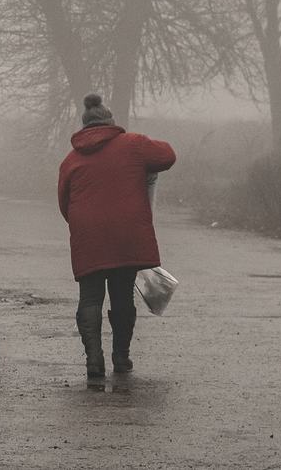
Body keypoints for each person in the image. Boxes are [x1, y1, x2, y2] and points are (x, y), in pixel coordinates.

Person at [57, 94, 175, 378]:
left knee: (90, 298)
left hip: (88, 234)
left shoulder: (71, 160)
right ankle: (121, 358)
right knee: (122, 296)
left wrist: (84, 225)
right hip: (126, 234)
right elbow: (168, 155)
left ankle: (93, 361)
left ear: (84, 126)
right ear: (111, 122)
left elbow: (64, 202)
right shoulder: (133, 145)